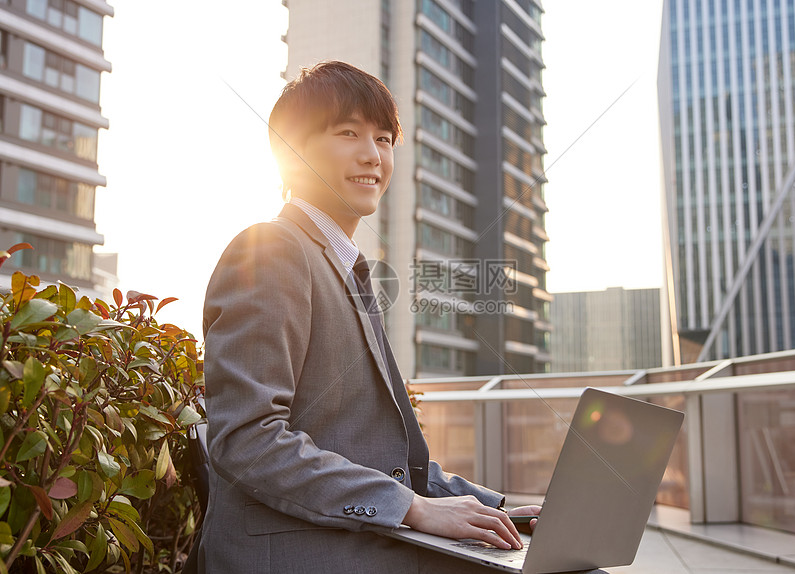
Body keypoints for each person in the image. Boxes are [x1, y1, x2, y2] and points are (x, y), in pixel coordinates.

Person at [196, 61, 540, 573]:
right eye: (348, 133)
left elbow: (390, 459)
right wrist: (413, 509)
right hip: (299, 556)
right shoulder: (271, 251)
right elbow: (248, 438)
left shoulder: (345, 266)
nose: (372, 155)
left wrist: (500, 510)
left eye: (383, 138)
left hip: (347, 543)